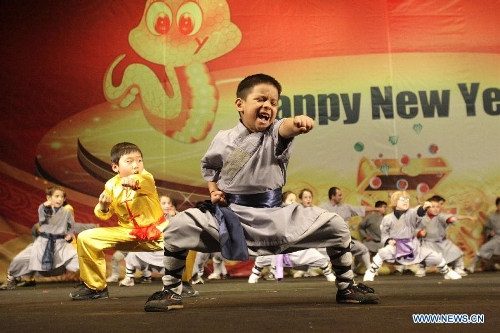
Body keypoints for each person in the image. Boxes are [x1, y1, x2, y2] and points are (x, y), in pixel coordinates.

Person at [144, 73, 379, 312]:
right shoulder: (223, 139)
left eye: (274, 102)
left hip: (275, 216)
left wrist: (298, 122)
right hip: (231, 216)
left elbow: (286, 127)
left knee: (336, 225)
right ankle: (171, 291)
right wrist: (215, 191)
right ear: (240, 104)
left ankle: (346, 287)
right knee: (177, 227)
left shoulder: (276, 132)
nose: (268, 106)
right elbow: (211, 168)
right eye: (261, 99)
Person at [70, 142, 170, 300]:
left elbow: (141, 181)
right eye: (129, 161)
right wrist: (103, 206)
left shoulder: (147, 177)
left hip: (157, 231)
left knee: (187, 236)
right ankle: (95, 287)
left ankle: (182, 284)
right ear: (115, 167)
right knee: (86, 238)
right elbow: (104, 214)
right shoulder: (111, 185)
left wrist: (133, 181)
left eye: (139, 160)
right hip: (128, 233)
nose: (136, 165)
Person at [363, 191, 462, 281]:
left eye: (407, 200)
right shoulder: (388, 218)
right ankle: (370, 272)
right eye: (402, 200)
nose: (406, 202)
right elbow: (384, 234)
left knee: (434, 256)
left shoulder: (410, 213)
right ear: (395, 202)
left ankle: (447, 272)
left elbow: (417, 211)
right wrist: (388, 241)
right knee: (382, 253)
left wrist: (424, 208)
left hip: (412, 246)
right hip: (396, 247)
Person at [1, 186, 79, 290]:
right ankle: (13, 279)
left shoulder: (67, 209)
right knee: (20, 259)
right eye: (56, 196)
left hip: (64, 244)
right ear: (49, 198)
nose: (59, 199)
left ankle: (91, 284)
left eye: (61, 197)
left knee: (79, 262)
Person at [247, 190, 335, 283]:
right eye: (291, 200)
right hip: (279, 250)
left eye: (295, 200)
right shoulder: (277, 215)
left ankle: (328, 273)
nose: (293, 202)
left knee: (317, 257)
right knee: (262, 257)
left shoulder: (299, 213)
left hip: (296, 249)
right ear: (283, 202)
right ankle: (254, 275)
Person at [319, 187, 381, 274]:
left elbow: (360, 209)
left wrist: (376, 209)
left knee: (362, 249)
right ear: (333, 196)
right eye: (339, 195)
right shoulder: (323, 208)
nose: (341, 197)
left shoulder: (345, 207)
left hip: (345, 239)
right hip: (330, 240)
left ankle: (370, 271)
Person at [415, 195, 475, 277]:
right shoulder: (421, 217)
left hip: (442, 242)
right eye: (433, 207)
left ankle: (458, 267)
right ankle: (421, 268)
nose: (435, 208)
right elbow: (415, 228)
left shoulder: (441, 216)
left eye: (437, 207)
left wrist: (450, 219)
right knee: (423, 255)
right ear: (427, 207)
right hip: (428, 243)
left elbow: (447, 218)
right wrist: (419, 232)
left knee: (456, 252)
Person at [467, 197, 500, 273]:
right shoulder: (492, 218)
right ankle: (472, 266)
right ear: (497, 206)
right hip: (497, 238)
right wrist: (489, 233)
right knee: (482, 249)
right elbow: (487, 228)